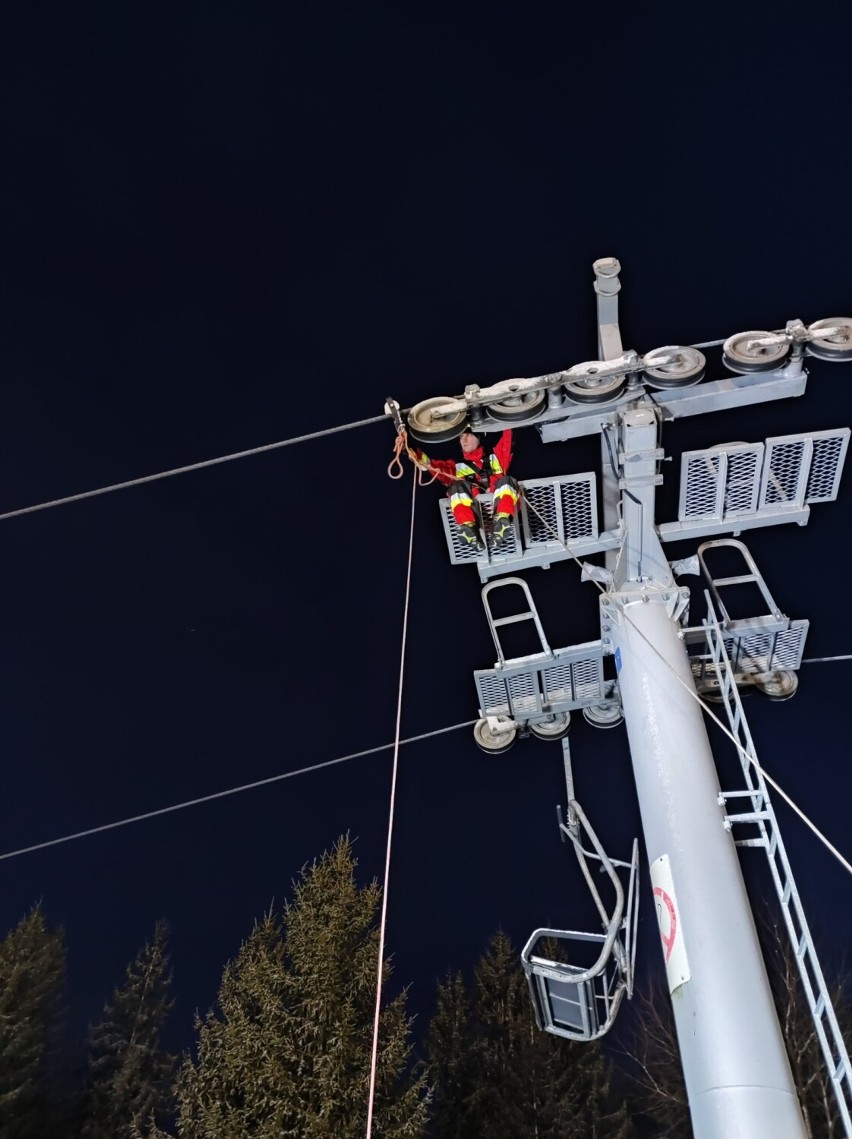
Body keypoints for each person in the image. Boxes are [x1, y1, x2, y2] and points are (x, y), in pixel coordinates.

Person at [416, 428, 520, 549]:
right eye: (461, 436)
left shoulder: (496, 458)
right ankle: (468, 528)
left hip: (500, 509)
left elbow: (509, 435)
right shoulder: (456, 468)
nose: (464, 439)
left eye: (469, 435)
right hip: (477, 517)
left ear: (480, 437)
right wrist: (410, 449)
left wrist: (507, 415)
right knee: (456, 487)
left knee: (507, 481)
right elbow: (431, 465)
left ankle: (502, 521)